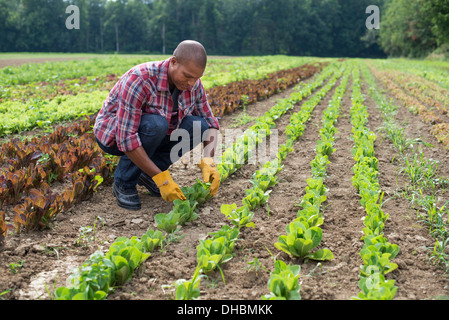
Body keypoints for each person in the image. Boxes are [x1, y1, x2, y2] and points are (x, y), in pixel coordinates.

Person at [93, 40, 220, 210]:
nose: (191, 83)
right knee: (156, 124)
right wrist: (162, 178)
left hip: (153, 134)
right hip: (114, 135)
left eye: (196, 78)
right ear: (173, 62)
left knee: (199, 126)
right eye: (187, 76)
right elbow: (126, 138)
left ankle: (147, 174)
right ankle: (124, 182)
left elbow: (211, 124)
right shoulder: (140, 78)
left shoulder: (193, 85)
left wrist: (209, 161)